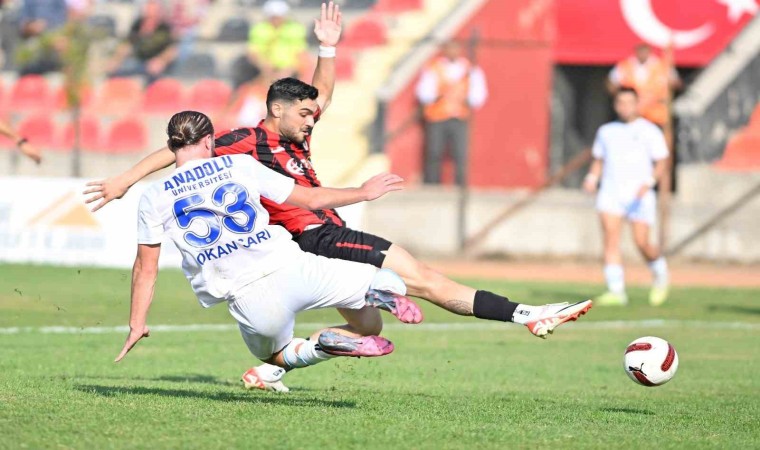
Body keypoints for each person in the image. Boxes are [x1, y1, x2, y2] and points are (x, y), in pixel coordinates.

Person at [87, 3, 592, 383]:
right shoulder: (241, 143)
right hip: (309, 237)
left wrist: (327, 48)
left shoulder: (295, 129)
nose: (313, 118)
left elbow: (321, 93)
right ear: (276, 110)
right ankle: (528, 314)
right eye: (304, 113)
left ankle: (276, 368)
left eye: (313, 115)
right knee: (420, 277)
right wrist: (124, 180)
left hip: (319, 236)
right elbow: (182, 154)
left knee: (367, 327)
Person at [113, 110, 422, 392]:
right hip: (292, 266)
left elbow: (146, 268)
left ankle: (321, 347)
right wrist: (363, 192)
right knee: (381, 285)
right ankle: (379, 289)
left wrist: (137, 323)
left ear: (171, 145)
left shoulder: (154, 196)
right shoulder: (240, 164)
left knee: (274, 357)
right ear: (209, 140)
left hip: (249, 295)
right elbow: (310, 200)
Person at [583, 87, 670, 306]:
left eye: (629, 102)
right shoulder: (606, 131)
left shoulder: (649, 130)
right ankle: (616, 291)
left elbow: (661, 162)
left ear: (637, 104)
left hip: (639, 195)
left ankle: (660, 273)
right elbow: (599, 160)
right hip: (611, 192)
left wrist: (649, 183)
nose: (624, 107)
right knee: (611, 240)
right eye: (620, 102)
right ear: (615, 105)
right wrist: (592, 178)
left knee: (641, 242)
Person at [415, 39, 487, 185]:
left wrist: (469, 100)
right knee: (434, 151)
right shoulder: (434, 68)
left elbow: (478, 93)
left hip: (460, 116)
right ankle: (432, 184)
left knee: (460, 153)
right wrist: (436, 97)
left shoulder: (469, 69)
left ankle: (460, 185)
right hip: (437, 116)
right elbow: (424, 93)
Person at [606, 43, 681, 128]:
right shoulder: (625, 65)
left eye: (644, 50)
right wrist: (621, 99)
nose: (642, 53)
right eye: (640, 50)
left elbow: (677, 83)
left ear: (649, 51)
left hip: (655, 117)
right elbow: (611, 83)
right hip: (631, 116)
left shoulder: (661, 65)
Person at [105, 0, 177, 85]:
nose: (151, 11)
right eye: (149, 8)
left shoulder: (165, 27)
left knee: (153, 74)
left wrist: (161, 60)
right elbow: (127, 44)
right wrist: (116, 60)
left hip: (157, 62)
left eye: (154, 9)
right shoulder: (138, 24)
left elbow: (172, 50)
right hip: (138, 61)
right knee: (115, 71)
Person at [247, 0, 308, 80]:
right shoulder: (259, 29)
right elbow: (253, 53)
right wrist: (265, 68)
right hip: (264, 70)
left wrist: (288, 71)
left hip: (290, 71)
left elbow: (301, 54)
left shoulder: (295, 29)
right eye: (273, 17)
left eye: (279, 17)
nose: (276, 20)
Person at [16, 0, 69, 75]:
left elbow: (62, 21)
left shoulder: (59, 2)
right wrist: (32, 26)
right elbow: (22, 23)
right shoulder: (28, 2)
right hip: (33, 41)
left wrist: (48, 29)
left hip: (53, 40)